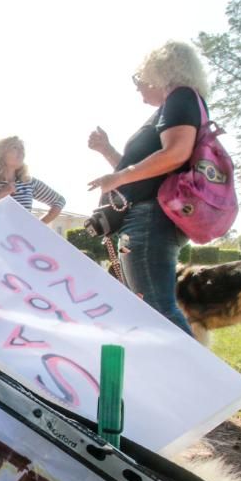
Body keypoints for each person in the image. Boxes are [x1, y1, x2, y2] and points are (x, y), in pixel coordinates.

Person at [87, 40, 208, 335]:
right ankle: (171, 375)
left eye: (140, 79)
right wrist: (109, 152)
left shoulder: (180, 98)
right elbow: (150, 169)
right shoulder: (178, 104)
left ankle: (198, 377)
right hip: (148, 215)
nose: (139, 86)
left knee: (156, 308)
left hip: (151, 217)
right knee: (142, 305)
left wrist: (117, 178)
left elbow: (175, 154)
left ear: (161, 71)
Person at [0, 136, 65, 225]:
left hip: (17, 241)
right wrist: (0, 195)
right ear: (0, 154)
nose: (21, 152)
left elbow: (59, 201)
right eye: (15, 147)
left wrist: (38, 226)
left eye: (22, 149)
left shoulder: (29, 182)